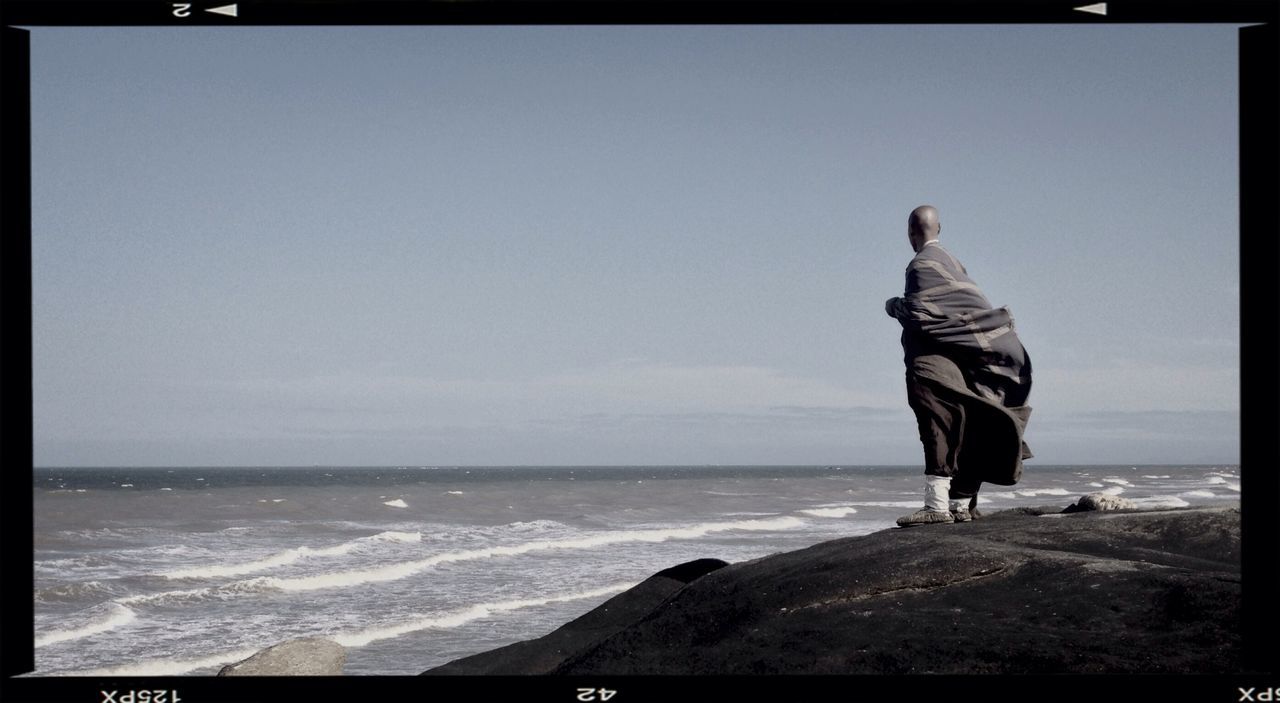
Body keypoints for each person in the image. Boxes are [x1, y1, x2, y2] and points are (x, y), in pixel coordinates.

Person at [885, 205, 1033, 526]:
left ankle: (937, 507)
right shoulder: (954, 263)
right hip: (964, 361)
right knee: (972, 424)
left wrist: (893, 305)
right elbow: (965, 312)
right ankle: (961, 505)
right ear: (940, 228)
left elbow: (919, 314)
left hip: (933, 366)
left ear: (911, 232)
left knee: (937, 424)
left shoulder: (920, 266)